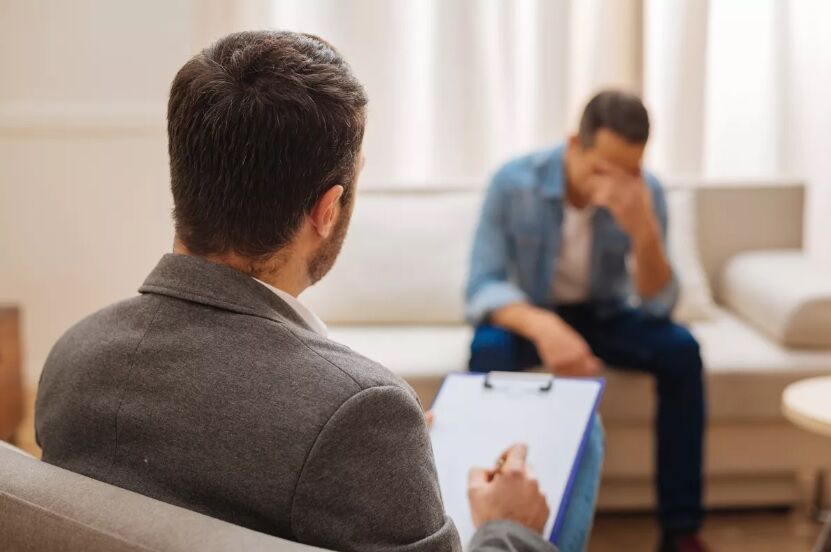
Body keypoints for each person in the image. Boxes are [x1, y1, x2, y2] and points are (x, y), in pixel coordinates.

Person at [35, 31, 556, 552]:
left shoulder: (73, 356)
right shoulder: (362, 409)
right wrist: (509, 528)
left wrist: (381, 459)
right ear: (326, 211)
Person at [465, 90, 708, 552]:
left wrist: (643, 230)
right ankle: (479, 513)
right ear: (575, 144)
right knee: (488, 349)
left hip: (605, 313)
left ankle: (681, 530)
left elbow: (659, 305)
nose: (613, 185)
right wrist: (547, 328)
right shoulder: (513, 183)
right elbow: (483, 285)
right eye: (601, 169)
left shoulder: (646, 192)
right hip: (532, 312)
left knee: (681, 350)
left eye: (628, 172)